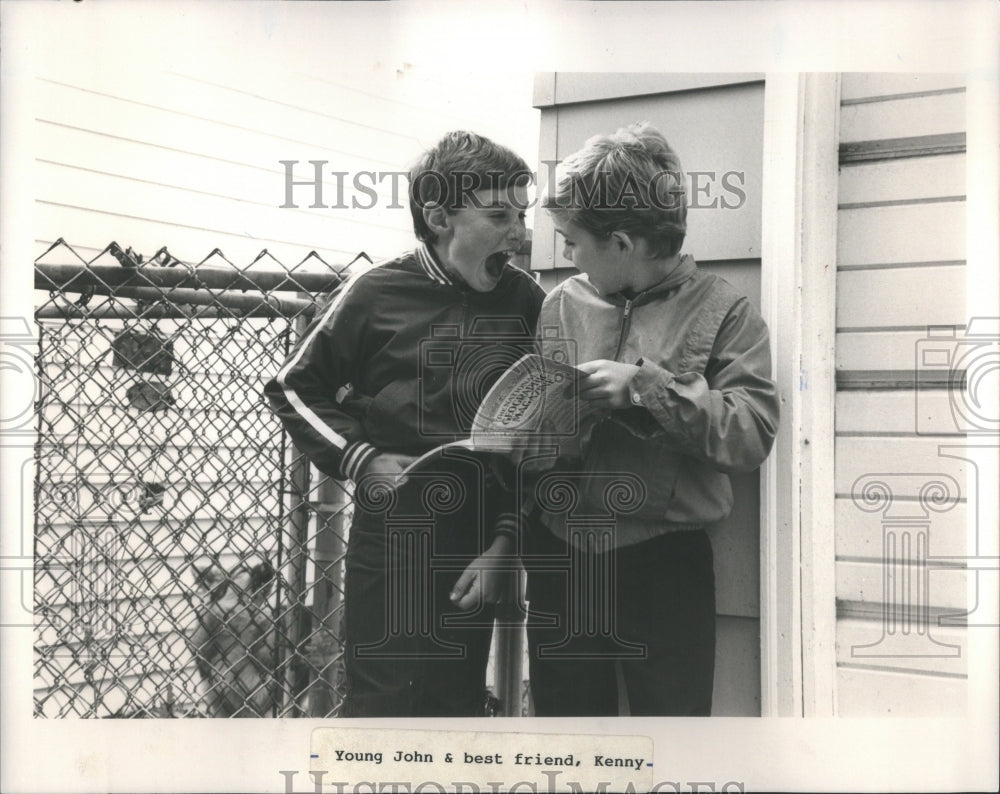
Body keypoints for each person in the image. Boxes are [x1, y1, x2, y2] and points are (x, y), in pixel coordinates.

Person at [265, 131, 544, 717]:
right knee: (382, 701)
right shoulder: (375, 292)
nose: (520, 234)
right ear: (440, 216)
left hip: (476, 538)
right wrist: (359, 459)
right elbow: (294, 385)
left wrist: (504, 545)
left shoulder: (527, 303)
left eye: (522, 214)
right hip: (391, 534)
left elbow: (536, 438)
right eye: (498, 215)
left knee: (454, 702)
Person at [522, 122, 779, 716]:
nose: (565, 255)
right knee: (566, 740)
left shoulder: (725, 311)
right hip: (563, 556)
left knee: (672, 741)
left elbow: (751, 433)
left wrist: (645, 389)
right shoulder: (561, 305)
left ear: (620, 242)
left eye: (572, 241)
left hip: (664, 563)